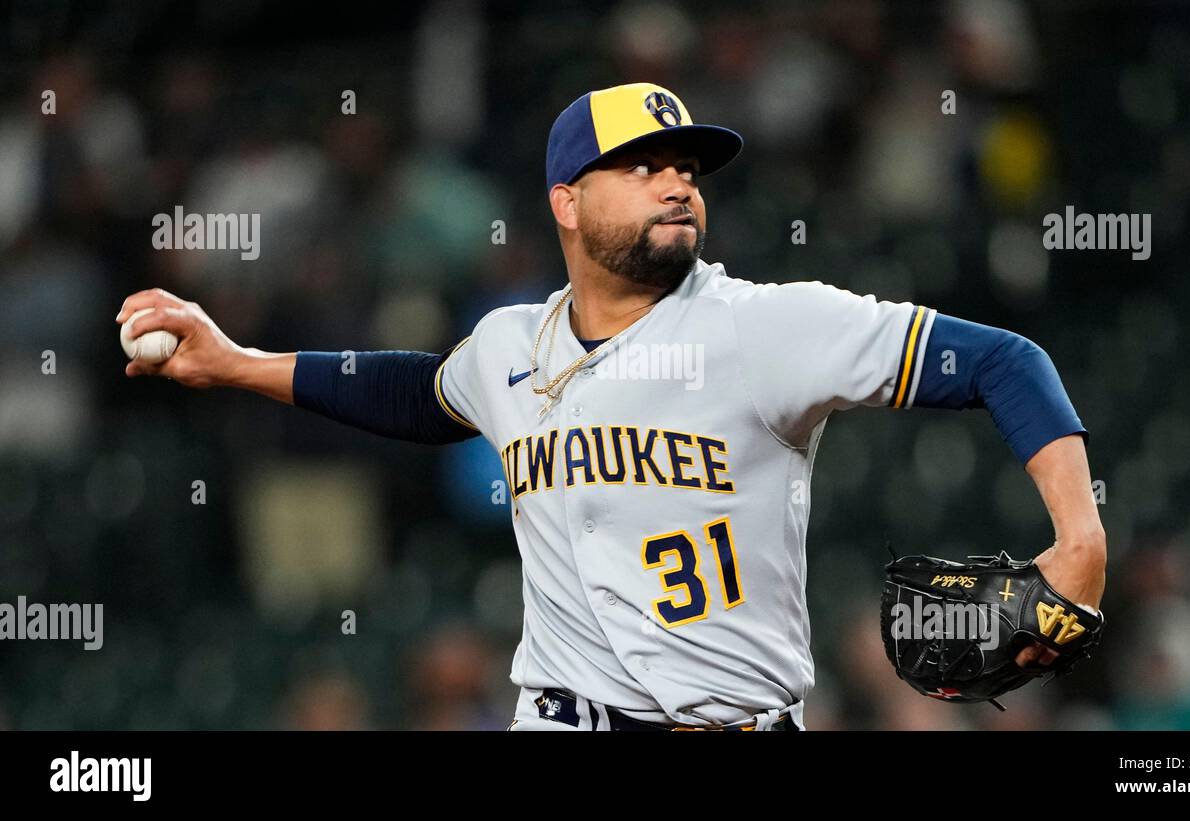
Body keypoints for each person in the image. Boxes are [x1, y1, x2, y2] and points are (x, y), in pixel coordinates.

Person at [117, 82, 1106, 731]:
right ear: (565, 200)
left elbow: (1003, 361)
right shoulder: (510, 344)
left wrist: (1077, 540)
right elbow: (418, 393)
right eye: (641, 165)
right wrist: (241, 362)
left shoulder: (764, 328)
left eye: (685, 167)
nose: (675, 183)